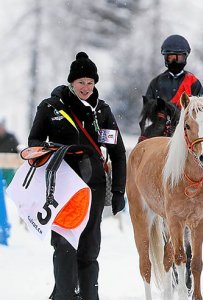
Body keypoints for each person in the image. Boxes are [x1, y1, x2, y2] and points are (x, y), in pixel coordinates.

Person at [28, 52, 126, 300]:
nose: (86, 88)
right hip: (62, 187)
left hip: (93, 186)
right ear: (71, 82)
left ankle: (89, 296)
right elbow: (34, 142)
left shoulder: (101, 111)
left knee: (89, 248)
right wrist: (55, 150)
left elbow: (118, 152)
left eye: (90, 83)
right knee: (64, 245)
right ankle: (64, 295)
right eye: (81, 82)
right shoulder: (51, 108)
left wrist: (118, 191)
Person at [145, 34, 203, 217]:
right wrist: (158, 113)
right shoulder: (156, 82)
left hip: (188, 129)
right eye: (171, 57)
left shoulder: (193, 82)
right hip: (162, 127)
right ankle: (143, 188)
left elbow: (199, 109)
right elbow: (147, 107)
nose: (175, 60)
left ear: (185, 58)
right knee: (142, 149)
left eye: (179, 57)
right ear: (165, 58)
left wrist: (179, 117)